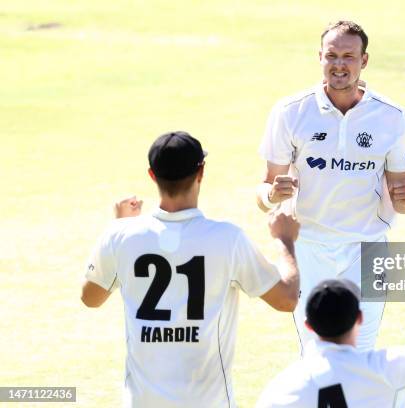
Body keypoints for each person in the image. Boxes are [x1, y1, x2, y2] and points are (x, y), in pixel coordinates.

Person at [81, 131, 300, 408]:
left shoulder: (120, 236)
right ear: (201, 172)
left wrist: (118, 226)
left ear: (152, 175)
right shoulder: (227, 239)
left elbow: (90, 298)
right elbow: (287, 299)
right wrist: (286, 241)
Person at [256, 20, 405, 351]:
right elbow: (263, 194)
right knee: (315, 349)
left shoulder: (391, 116)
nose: (339, 65)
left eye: (348, 56)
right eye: (332, 56)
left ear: (364, 60)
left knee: (362, 348)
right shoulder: (291, 112)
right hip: (311, 247)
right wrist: (272, 194)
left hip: (368, 247)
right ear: (320, 57)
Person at [256, 194, 405, 408]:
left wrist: (284, 240)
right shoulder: (387, 371)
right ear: (359, 318)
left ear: (309, 325)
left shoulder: (282, 389)